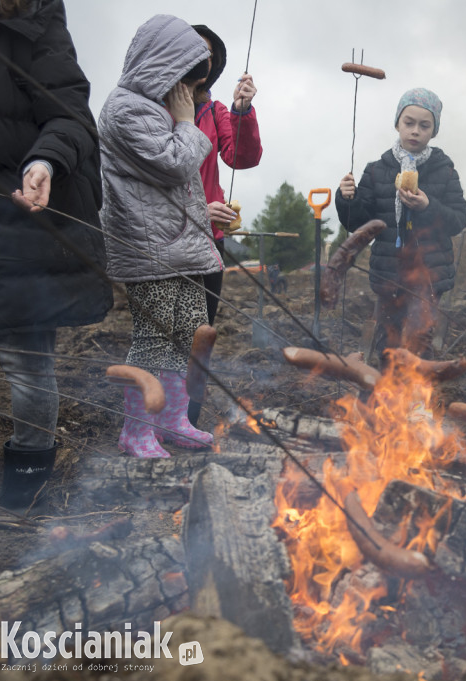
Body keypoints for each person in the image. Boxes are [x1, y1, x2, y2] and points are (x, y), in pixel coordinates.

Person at [0, 0, 113, 509]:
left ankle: (27, 477)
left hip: (19, 226)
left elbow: (70, 115)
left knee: (23, 363)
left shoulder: (35, 24)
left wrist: (45, 160)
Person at [98, 14, 223, 459]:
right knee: (154, 338)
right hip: (148, 249)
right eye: (183, 80)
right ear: (161, 66)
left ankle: (172, 420)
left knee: (185, 333)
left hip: (178, 247)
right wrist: (188, 122)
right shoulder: (126, 108)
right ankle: (136, 429)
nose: (187, 91)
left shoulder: (156, 108)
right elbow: (175, 164)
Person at [335, 87, 466, 360]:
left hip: (428, 276)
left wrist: (428, 207)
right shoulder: (376, 170)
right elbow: (358, 223)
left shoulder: (444, 169)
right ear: (397, 123)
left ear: (434, 131)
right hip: (388, 273)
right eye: (409, 123)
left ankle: (419, 401)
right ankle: (387, 397)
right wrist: (347, 198)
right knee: (387, 341)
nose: (415, 131)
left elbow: (457, 220)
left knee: (419, 341)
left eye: (424, 125)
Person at [186, 23, 262, 428]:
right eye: (194, 49)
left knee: (201, 334)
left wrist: (242, 110)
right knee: (161, 334)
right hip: (161, 240)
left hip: (208, 243)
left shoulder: (215, 112)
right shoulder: (152, 108)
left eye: (210, 55)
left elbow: (242, 159)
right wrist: (197, 207)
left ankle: (188, 417)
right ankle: (150, 419)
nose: (201, 59)